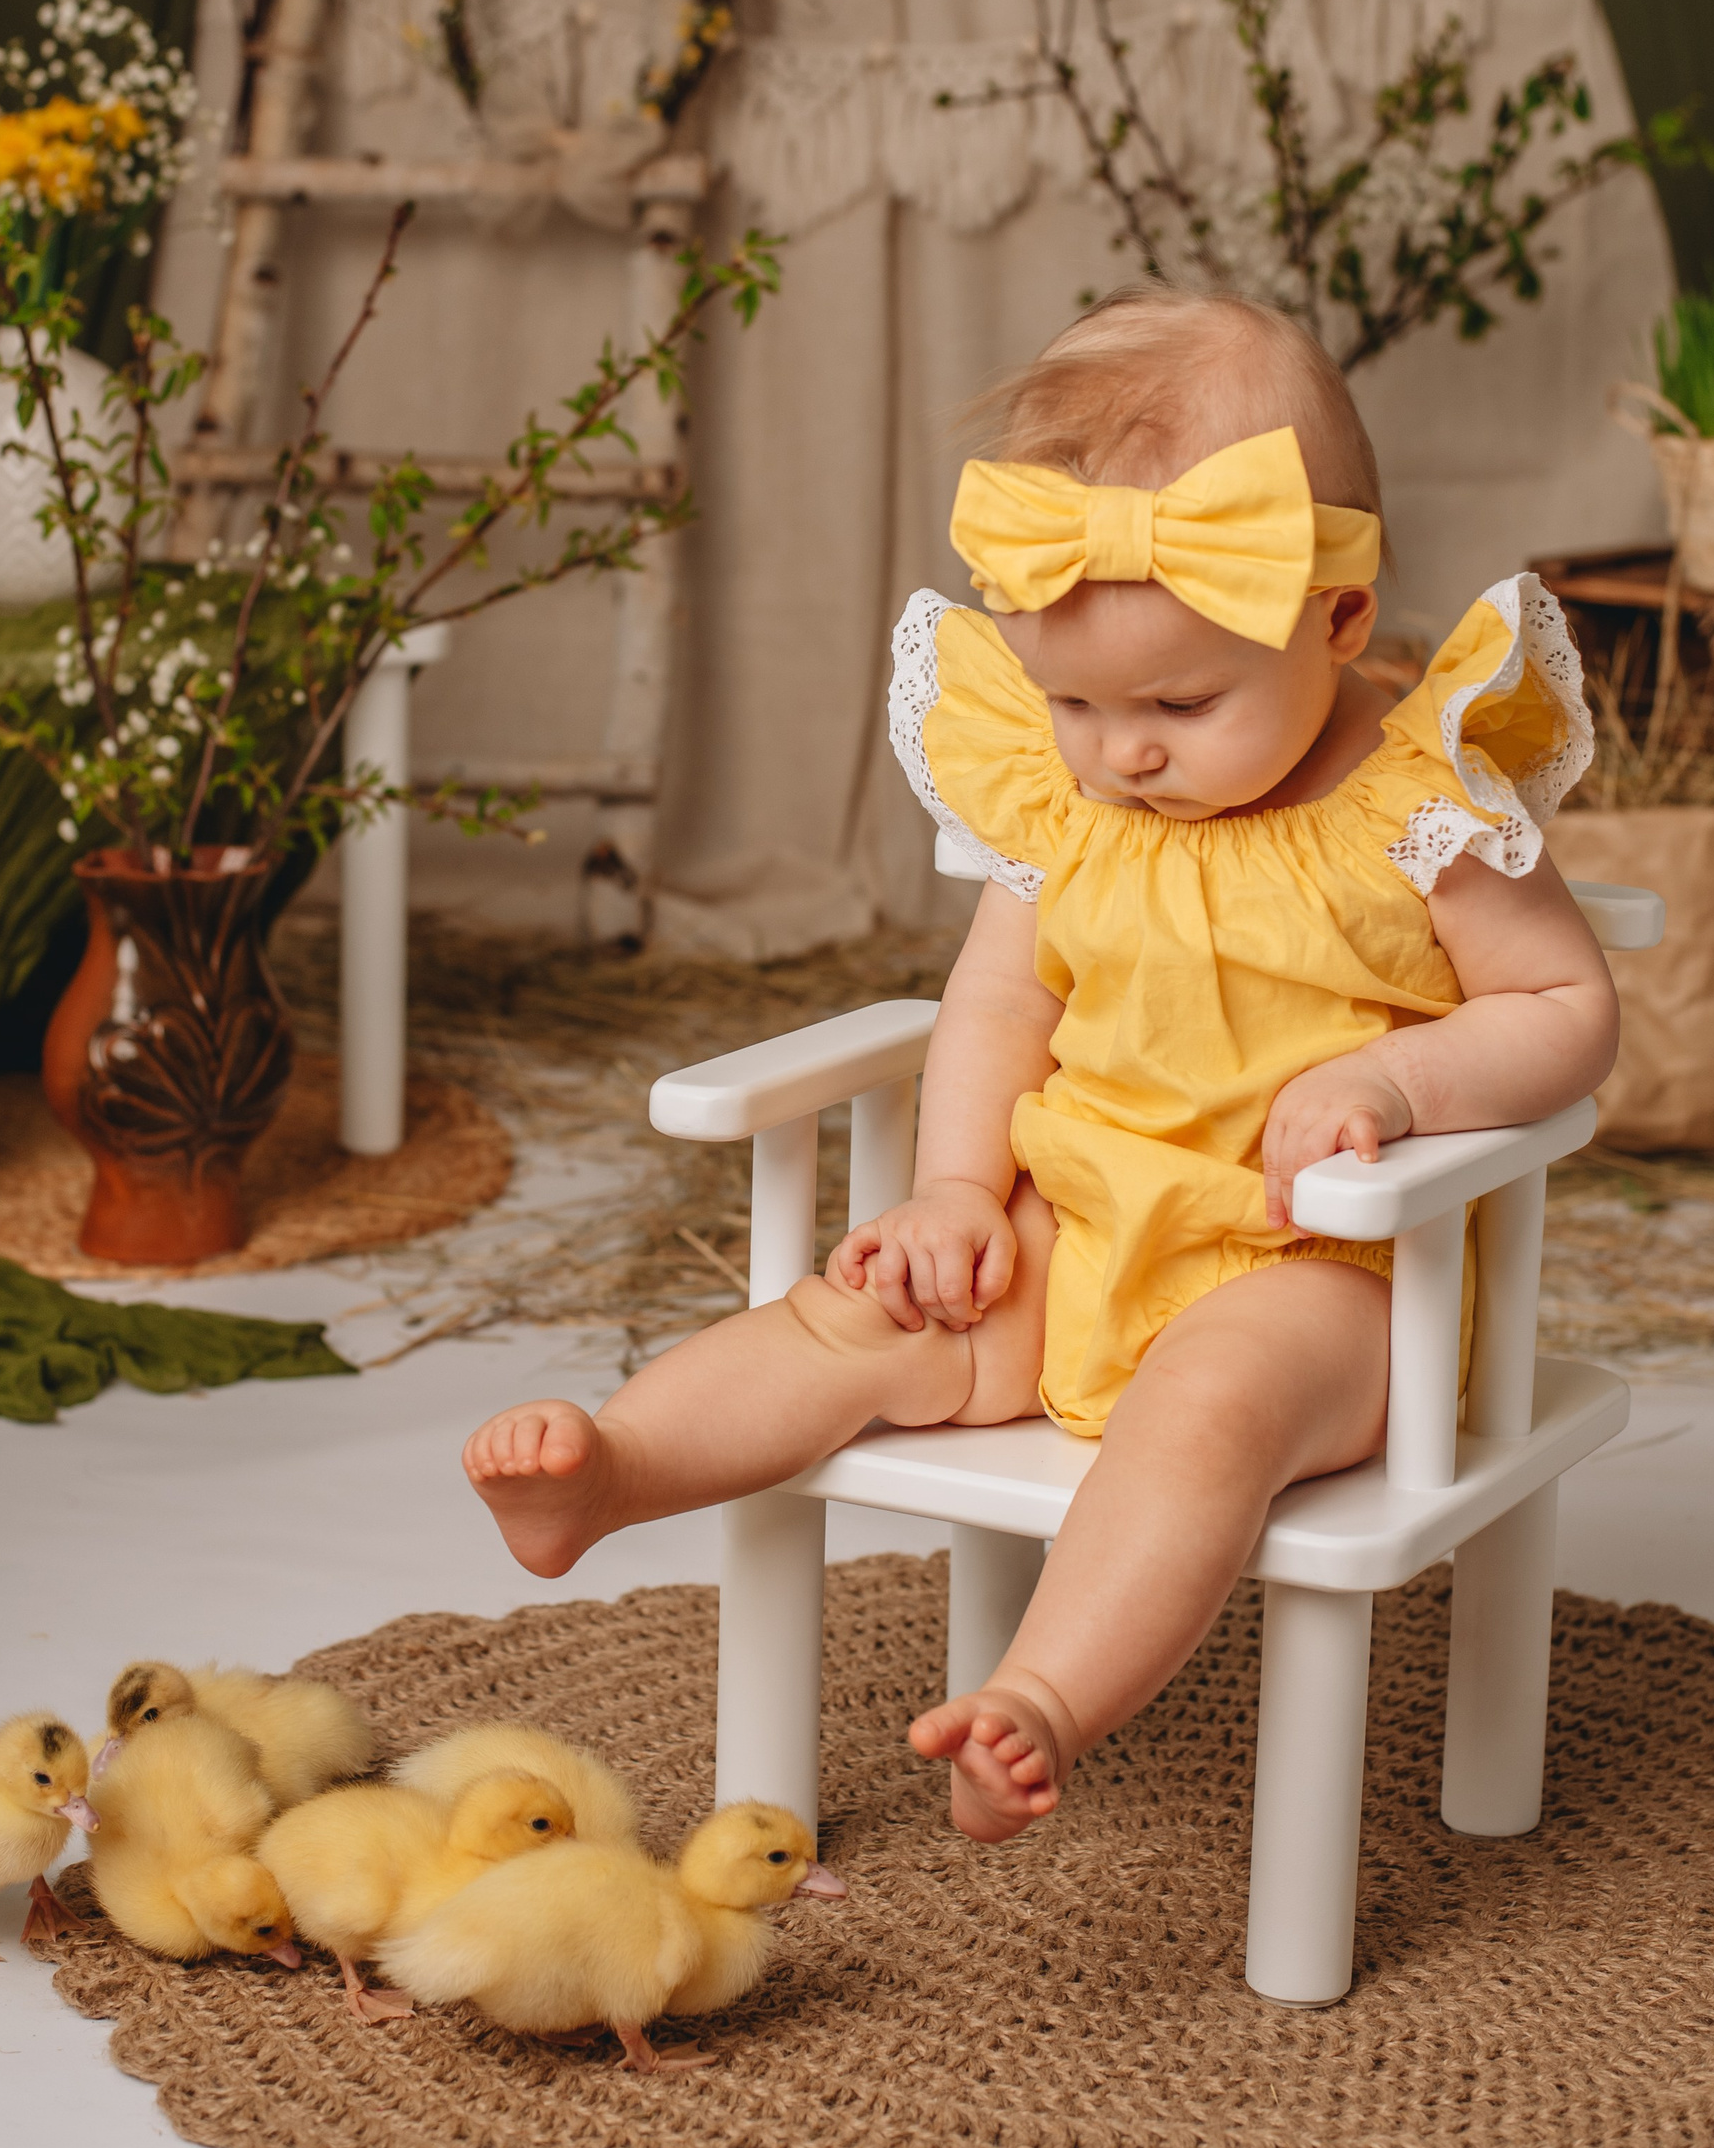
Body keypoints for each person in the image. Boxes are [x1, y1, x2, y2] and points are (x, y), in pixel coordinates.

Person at [463, 289, 1618, 1844]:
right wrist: (954, 1191)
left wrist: (1405, 1089)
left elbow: (1565, 1004)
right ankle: (615, 1469)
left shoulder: (1420, 806)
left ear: (1338, 621)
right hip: (1078, 1231)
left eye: (1179, 704)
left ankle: (1044, 1697)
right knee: (862, 1313)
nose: (1120, 751)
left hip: (1328, 1276)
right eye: (1074, 702)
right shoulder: (1077, 806)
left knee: (1204, 1408)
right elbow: (999, 1005)